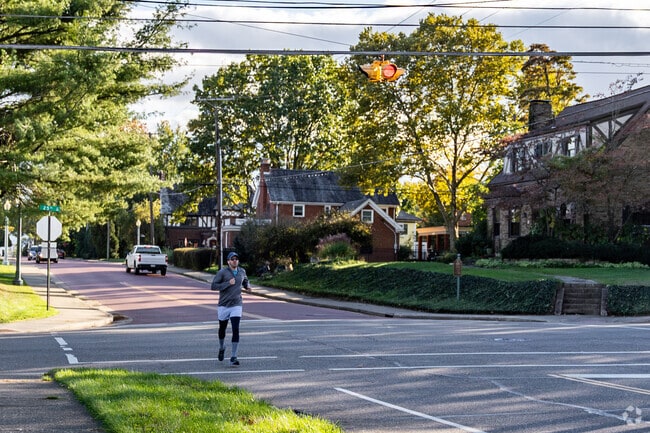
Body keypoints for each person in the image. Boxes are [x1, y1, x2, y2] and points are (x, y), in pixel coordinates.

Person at [211, 251, 250, 366]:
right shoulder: (222, 272)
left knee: (235, 329)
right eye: (232, 259)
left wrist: (247, 286)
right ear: (228, 261)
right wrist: (228, 283)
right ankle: (222, 347)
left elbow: (245, 280)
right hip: (224, 305)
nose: (235, 261)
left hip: (236, 304)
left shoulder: (242, 271)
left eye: (236, 259)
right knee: (222, 329)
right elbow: (213, 286)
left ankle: (234, 356)